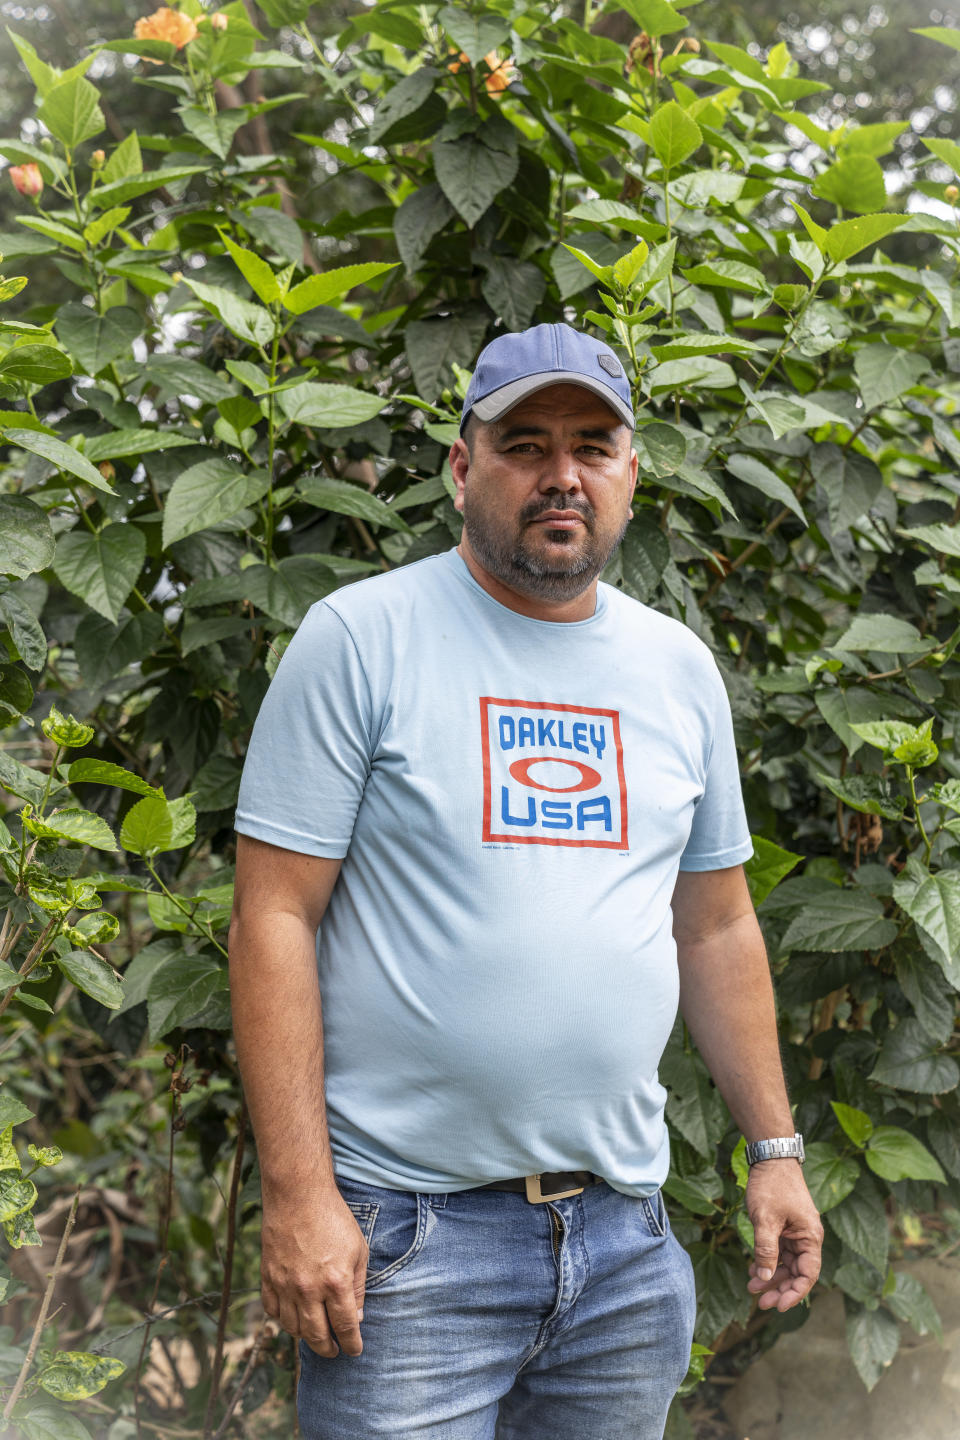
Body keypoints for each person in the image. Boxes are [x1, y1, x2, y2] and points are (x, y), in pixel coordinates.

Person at [229, 322, 823, 1440]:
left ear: (632, 476)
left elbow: (718, 928)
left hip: (622, 1251)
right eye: (525, 443)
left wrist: (775, 1152)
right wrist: (300, 1195)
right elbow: (274, 915)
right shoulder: (359, 639)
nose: (563, 474)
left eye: (594, 446)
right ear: (463, 468)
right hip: (406, 1246)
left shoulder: (677, 670)